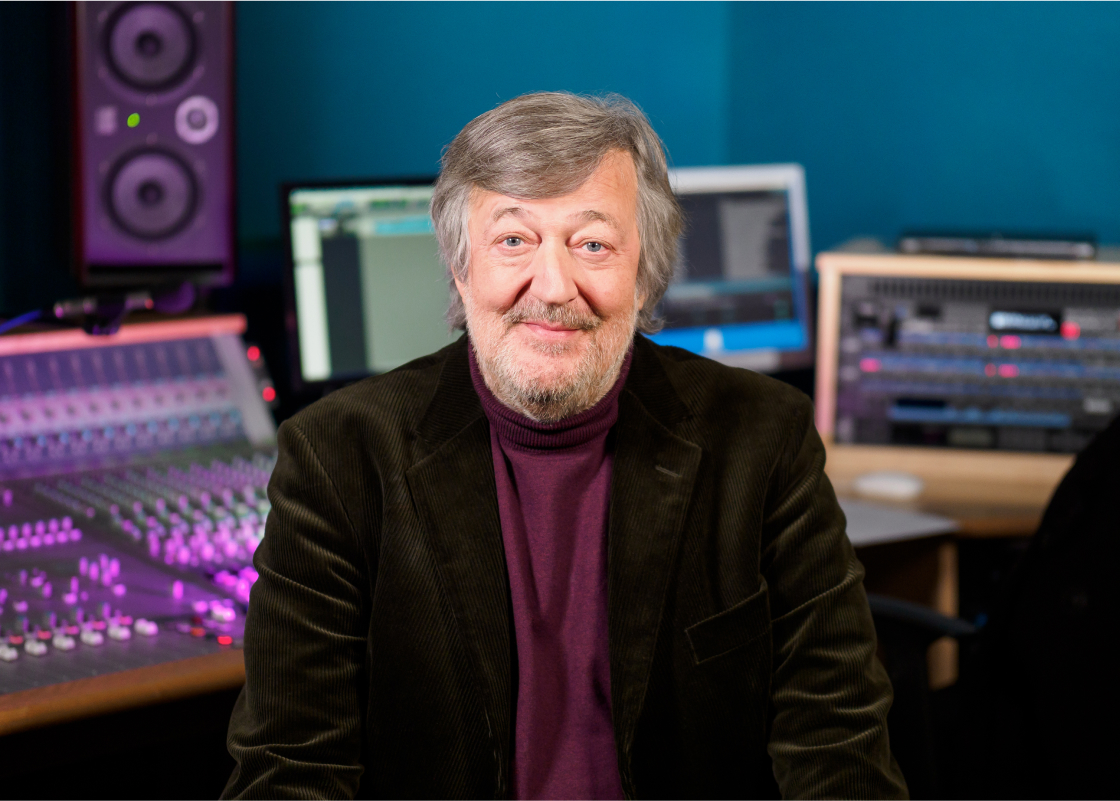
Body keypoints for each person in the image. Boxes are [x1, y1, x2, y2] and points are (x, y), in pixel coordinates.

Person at [224, 91, 907, 800]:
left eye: (593, 245)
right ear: (461, 267)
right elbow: (290, 770)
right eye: (513, 241)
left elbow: (838, 746)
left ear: (645, 273)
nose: (552, 288)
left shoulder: (764, 438)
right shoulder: (336, 458)